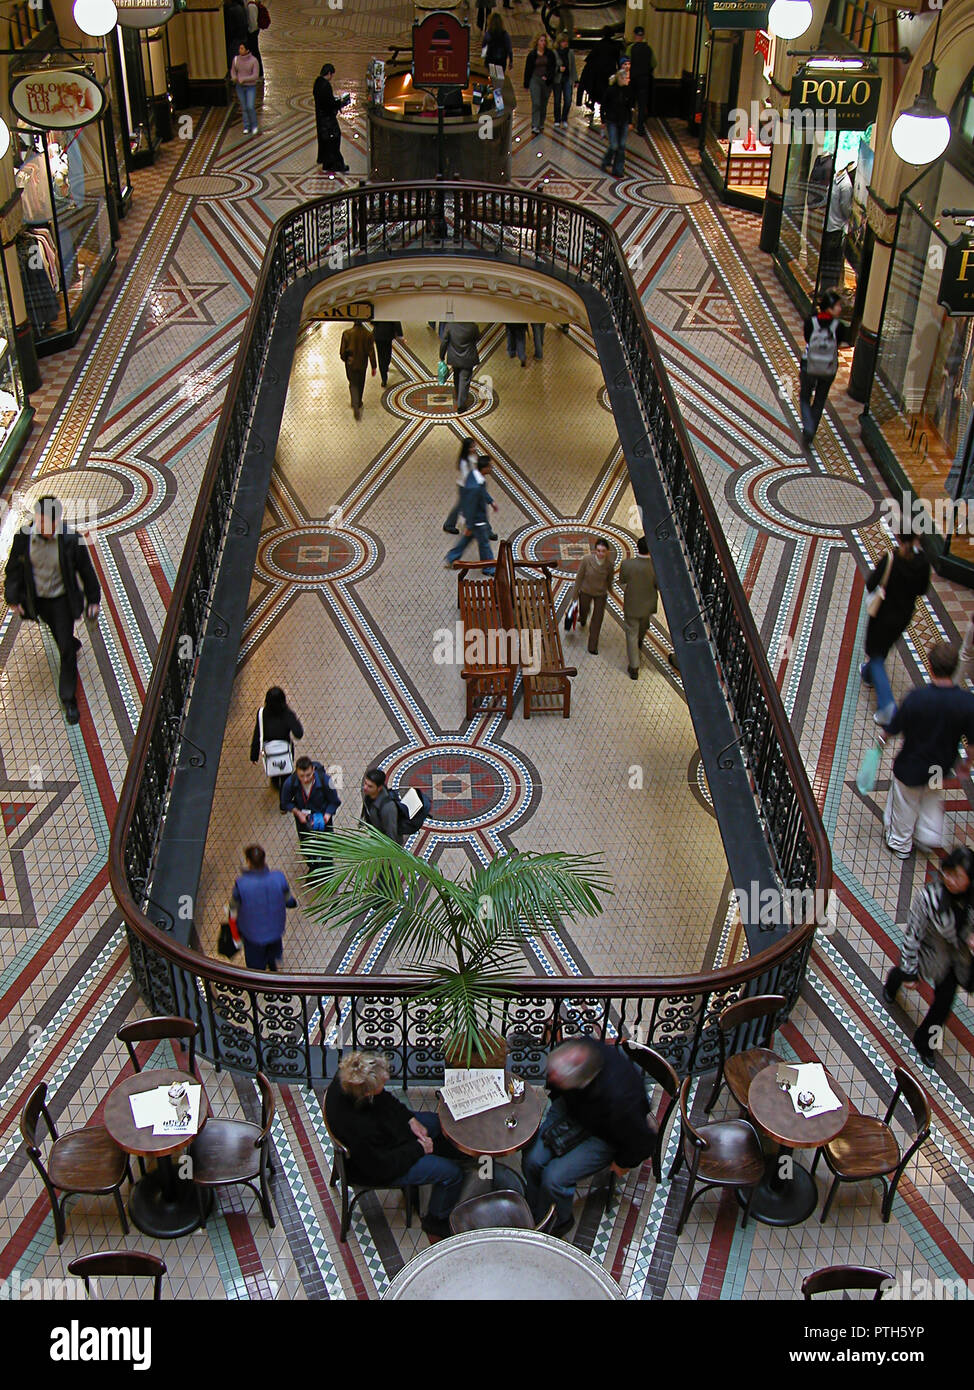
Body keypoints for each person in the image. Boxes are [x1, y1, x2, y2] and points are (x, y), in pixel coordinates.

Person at [325, 1051, 465, 1238]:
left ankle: (446, 1151)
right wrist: (419, 1148)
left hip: (385, 1137)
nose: (386, 1082)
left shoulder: (348, 1078)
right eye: (382, 1083)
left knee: (437, 1123)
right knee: (452, 1173)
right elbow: (383, 1165)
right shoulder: (358, 1128)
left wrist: (410, 1119)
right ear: (367, 1092)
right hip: (376, 1166)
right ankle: (436, 1219)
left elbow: (383, 1098)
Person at [523, 1039, 655, 1235]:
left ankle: (559, 1222)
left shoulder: (622, 1101)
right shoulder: (575, 1052)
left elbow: (642, 1141)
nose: (551, 1078)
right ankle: (535, 1210)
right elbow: (557, 1091)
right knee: (532, 1160)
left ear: (580, 1081)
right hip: (573, 1108)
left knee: (554, 1178)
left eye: (556, 1078)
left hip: (605, 1134)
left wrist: (622, 1163)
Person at [4, 495, 100, 725]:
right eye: (39, 521)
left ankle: (68, 699)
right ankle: (70, 641)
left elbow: (86, 571)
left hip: (62, 601)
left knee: (65, 648)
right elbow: (13, 571)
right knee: (60, 634)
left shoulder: (70, 540)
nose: (43, 527)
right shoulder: (23, 539)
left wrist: (93, 599)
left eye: (48, 523)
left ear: (57, 522)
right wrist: (12, 597)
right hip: (37, 601)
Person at [881, 642, 974, 860]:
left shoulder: (916, 698)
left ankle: (900, 843)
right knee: (931, 797)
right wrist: (966, 765)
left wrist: (881, 741)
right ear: (955, 667)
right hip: (939, 767)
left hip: (912, 766)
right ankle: (929, 836)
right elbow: (972, 744)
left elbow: (894, 727)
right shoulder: (967, 703)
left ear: (930, 666)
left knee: (904, 803)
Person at [884, 846, 974, 1066]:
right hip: (930, 955)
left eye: (958, 877)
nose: (950, 880)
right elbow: (913, 935)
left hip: (954, 964)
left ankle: (924, 1043)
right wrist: (909, 970)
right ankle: (892, 983)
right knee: (903, 975)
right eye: (949, 873)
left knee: (942, 1006)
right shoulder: (929, 898)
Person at [860, 532, 930, 726]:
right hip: (903, 617)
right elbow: (923, 590)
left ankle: (887, 707)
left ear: (899, 538)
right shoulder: (923, 563)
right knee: (882, 649)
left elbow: (871, 583)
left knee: (876, 655)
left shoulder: (893, 559)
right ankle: (867, 674)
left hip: (883, 615)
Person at [230, 844, 296, 972]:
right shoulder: (279, 877)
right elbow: (289, 900)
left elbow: (233, 908)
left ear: (248, 861)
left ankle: (258, 982)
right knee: (273, 955)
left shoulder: (241, 884)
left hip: (253, 935)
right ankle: (273, 967)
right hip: (276, 931)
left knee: (255, 964)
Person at [798, 289, 851, 445]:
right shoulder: (839, 326)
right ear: (830, 307)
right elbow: (838, 344)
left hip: (810, 364)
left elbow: (807, 339)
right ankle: (811, 430)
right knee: (820, 399)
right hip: (828, 369)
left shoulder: (811, 322)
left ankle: (808, 427)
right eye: (838, 305)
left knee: (805, 397)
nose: (840, 308)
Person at [280, 755, 341, 865]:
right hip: (303, 820)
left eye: (308, 775)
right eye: (301, 776)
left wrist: (327, 815)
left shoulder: (325, 781)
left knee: (326, 844)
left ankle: (327, 866)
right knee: (306, 844)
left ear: (313, 769)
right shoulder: (290, 783)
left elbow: (334, 801)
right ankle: (312, 866)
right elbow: (285, 802)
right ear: (297, 772)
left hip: (323, 818)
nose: (305, 779)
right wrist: (297, 813)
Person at [445, 455, 497, 574]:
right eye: (490, 466)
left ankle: (452, 557)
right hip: (478, 520)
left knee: (467, 540)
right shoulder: (475, 486)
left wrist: (490, 501)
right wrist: (469, 525)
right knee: (484, 544)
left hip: (477, 521)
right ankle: (488, 567)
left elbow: (482, 492)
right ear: (484, 468)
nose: (491, 468)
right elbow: (471, 506)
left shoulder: (475, 476)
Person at [618, 536, 658, 679]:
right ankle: (640, 643)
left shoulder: (627, 564)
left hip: (632, 605)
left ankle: (634, 667)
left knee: (631, 633)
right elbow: (658, 586)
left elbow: (622, 580)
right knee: (643, 627)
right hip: (648, 606)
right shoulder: (655, 567)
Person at [250, 686, 303, 791]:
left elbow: (257, 734)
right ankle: (284, 789)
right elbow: (299, 733)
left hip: (270, 751)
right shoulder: (287, 714)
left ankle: (275, 782)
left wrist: (254, 755)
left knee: (273, 767)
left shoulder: (262, 714)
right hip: (285, 749)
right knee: (286, 771)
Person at [572, 536, 615, 656]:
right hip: (585, 591)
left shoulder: (609, 565)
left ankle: (592, 645)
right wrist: (575, 594)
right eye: (598, 551)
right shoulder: (587, 560)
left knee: (597, 619)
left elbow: (609, 580)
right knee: (584, 609)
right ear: (595, 550)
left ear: (607, 552)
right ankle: (583, 618)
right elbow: (579, 577)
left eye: (603, 551)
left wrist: (611, 591)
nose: (601, 553)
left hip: (600, 594)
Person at [820, 162, 854, 291]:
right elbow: (843, 207)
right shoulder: (839, 181)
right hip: (830, 227)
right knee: (827, 263)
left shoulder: (843, 184)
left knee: (832, 265)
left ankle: (828, 292)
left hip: (835, 229)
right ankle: (824, 291)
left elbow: (844, 208)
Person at [578, 25, 621, 127]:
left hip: (598, 74)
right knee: (607, 92)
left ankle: (592, 104)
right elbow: (618, 61)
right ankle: (605, 112)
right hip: (610, 73)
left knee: (596, 90)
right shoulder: (615, 46)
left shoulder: (599, 45)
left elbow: (590, 59)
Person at [314, 63, 351, 172]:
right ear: (329, 73)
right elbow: (329, 104)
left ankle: (327, 163)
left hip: (321, 118)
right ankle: (337, 164)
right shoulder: (325, 86)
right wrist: (340, 102)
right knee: (334, 140)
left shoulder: (317, 83)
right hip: (327, 119)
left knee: (326, 141)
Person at [601, 60, 634, 177]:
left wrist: (630, 122)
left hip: (624, 120)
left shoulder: (628, 90)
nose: (628, 80)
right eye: (626, 79)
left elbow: (629, 107)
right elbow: (603, 105)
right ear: (621, 79)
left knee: (622, 146)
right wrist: (603, 120)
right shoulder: (611, 90)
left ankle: (618, 169)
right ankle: (606, 161)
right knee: (614, 145)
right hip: (612, 121)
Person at [439, 321, 480, 413]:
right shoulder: (473, 327)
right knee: (464, 381)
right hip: (468, 358)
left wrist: (442, 356)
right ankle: (461, 405)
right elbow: (478, 338)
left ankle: (458, 395)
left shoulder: (450, 326)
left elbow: (444, 341)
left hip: (454, 358)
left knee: (456, 377)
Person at [339, 320, 377, 420]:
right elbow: (371, 352)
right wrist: (374, 366)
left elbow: (342, 352)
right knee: (361, 382)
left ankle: (355, 403)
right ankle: (358, 401)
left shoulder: (346, 333)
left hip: (350, 364)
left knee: (352, 383)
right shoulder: (368, 334)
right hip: (362, 363)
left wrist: (346, 359)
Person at [443, 437, 478, 534]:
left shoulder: (472, 456)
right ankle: (449, 525)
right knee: (461, 506)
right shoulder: (464, 462)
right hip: (465, 487)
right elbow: (467, 476)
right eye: (472, 447)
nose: (474, 448)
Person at [361, 767, 403, 845]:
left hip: (386, 845)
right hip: (376, 837)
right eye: (365, 783)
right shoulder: (370, 795)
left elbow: (391, 836)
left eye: (370, 786)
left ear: (379, 788)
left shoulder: (388, 808)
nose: (365, 788)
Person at [524, 33, 555, 135]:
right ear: (537, 41)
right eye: (541, 40)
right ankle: (535, 125)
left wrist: (547, 76)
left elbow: (552, 68)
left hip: (546, 82)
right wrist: (526, 84)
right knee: (536, 102)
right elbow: (528, 69)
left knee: (543, 103)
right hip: (535, 79)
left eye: (544, 41)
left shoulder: (550, 54)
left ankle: (541, 122)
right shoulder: (532, 55)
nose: (543, 43)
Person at [627, 26, 655, 135]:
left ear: (634, 35)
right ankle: (640, 127)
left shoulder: (631, 48)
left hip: (633, 79)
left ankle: (629, 122)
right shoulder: (649, 49)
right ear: (643, 35)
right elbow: (654, 63)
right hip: (644, 79)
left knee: (630, 102)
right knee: (642, 104)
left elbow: (626, 62)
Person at [231, 42, 260, 135]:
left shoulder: (254, 61)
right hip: (240, 87)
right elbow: (233, 71)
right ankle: (246, 126)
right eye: (239, 48)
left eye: (242, 48)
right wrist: (234, 77)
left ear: (247, 50)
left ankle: (254, 125)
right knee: (244, 107)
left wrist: (244, 79)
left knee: (250, 106)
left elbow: (255, 76)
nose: (240, 50)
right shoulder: (236, 59)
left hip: (250, 87)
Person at [481, 10, 513, 82]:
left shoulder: (488, 34)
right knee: (499, 79)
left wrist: (483, 56)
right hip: (501, 61)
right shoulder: (505, 35)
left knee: (491, 78)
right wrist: (511, 61)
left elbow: (484, 46)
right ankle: (498, 90)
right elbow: (509, 48)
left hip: (490, 60)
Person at [552, 31, 576, 128]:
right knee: (557, 100)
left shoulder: (570, 53)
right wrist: (558, 69)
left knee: (568, 99)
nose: (565, 43)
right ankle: (557, 119)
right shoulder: (554, 53)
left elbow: (573, 66)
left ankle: (564, 118)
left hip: (567, 79)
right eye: (563, 42)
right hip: (557, 80)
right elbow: (551, 66)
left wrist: (576, 79)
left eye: (566, 41)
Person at [371, 320, 404, 389]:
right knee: (388, 352)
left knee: (380, 355)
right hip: (388, 334)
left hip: (378, 335)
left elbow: (373, 322)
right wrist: (400, 334)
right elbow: (396, 321)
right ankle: (386, 365)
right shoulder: (391, 311)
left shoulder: (379, 311)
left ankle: (384, 378)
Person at [225, 0, 248, 66]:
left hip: (236, 39)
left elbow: (230, 28)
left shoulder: (231, 10)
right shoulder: (240, 7)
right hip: (242, 37)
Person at [245, 0, 263, 75]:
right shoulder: (251, 5)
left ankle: (259, 72)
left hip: (252, 33)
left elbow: (253, 23)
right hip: (253, 31)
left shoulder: (251, 6)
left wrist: (249, 31)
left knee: (254, 52)